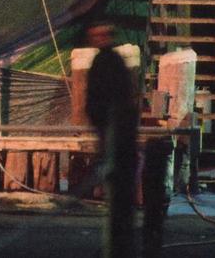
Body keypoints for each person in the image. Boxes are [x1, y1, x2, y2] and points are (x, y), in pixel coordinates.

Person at [84, 20, 137, 257]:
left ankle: (115, 246)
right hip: (113, 128)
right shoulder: (110, 62)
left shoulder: (107, 62)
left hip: (113, 129)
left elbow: (106, 99)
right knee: (116, 185)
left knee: (115, 183)